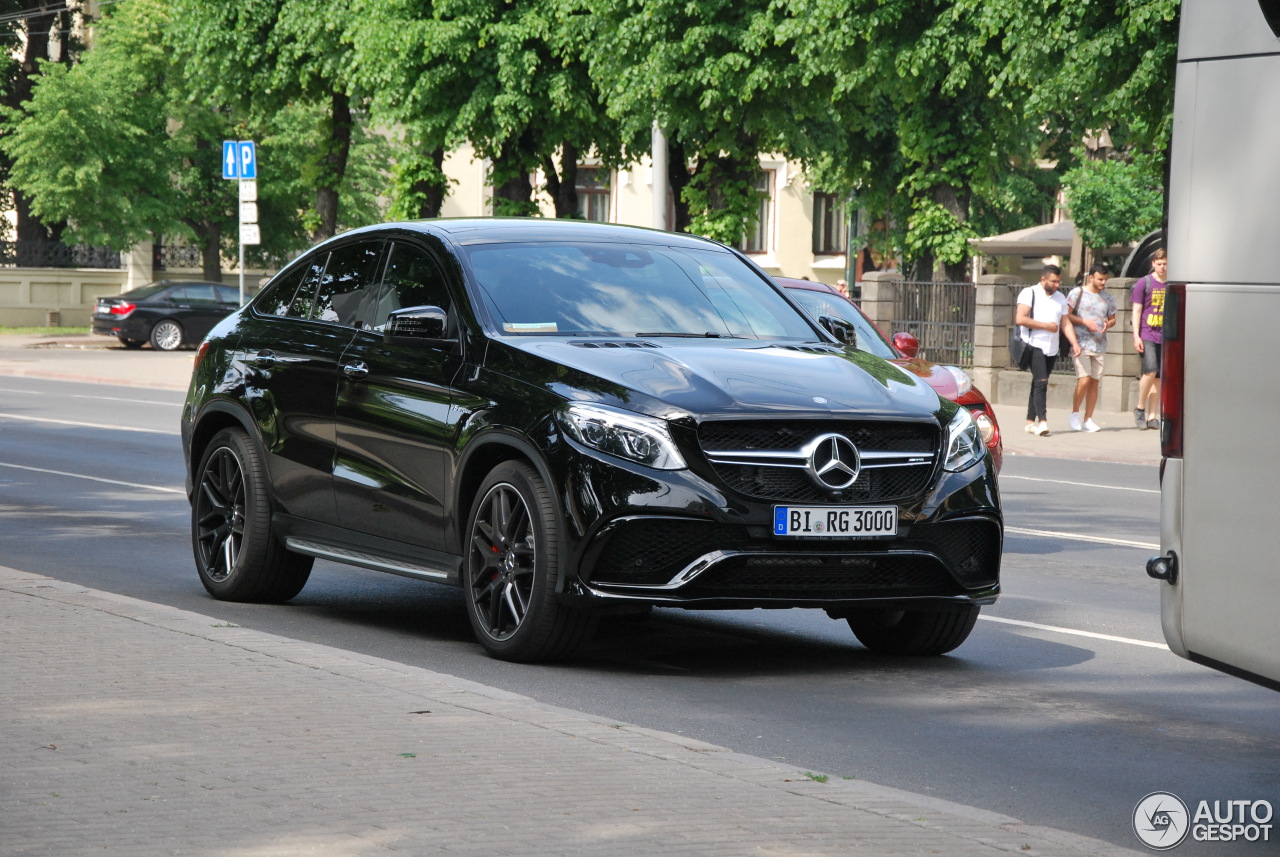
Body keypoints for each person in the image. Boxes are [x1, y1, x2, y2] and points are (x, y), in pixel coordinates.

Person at [1015, 264, 1079, 436]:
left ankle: (1030, 421)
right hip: (1034, 343)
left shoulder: (1060, 298)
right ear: (1043, 279)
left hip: (1052, 346)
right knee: (1042, 382)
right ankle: (1043, 421)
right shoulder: (1030, 293)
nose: (1057, 285)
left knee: (1038, 382)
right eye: (1053, 281)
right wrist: (1045, 326)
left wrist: (1074, 343)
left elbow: (1065, 322)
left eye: (1059, 281)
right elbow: (1020, 318)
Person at [1065, 263, 1117, 432]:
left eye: (1105, 279)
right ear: (1091, 277)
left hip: (1099, 343)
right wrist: (1084, 321)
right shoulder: (1077, 293)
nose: (1103, 282)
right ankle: (1074, 413)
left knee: (1095, 382)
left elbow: (1113, 318)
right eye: (1100, 279)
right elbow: (1066, 315)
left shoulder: (1107, 297)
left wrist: (1107, 324)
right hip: (1081, 342)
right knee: (1084, 378)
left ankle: (1088, 419)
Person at [1130, 249, 1167, 430]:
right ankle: (1139, 408)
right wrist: (1136, 335)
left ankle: (1153, 416)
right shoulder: (1143, 283)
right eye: (1159, 264)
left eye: (1165, 264)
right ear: (1153, 263)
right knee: (1150, 370)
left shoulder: (1171, 284)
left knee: (1159, 377)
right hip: (1147, 333)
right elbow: (1136, 310)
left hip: (1165, 335)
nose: (1162, 267)